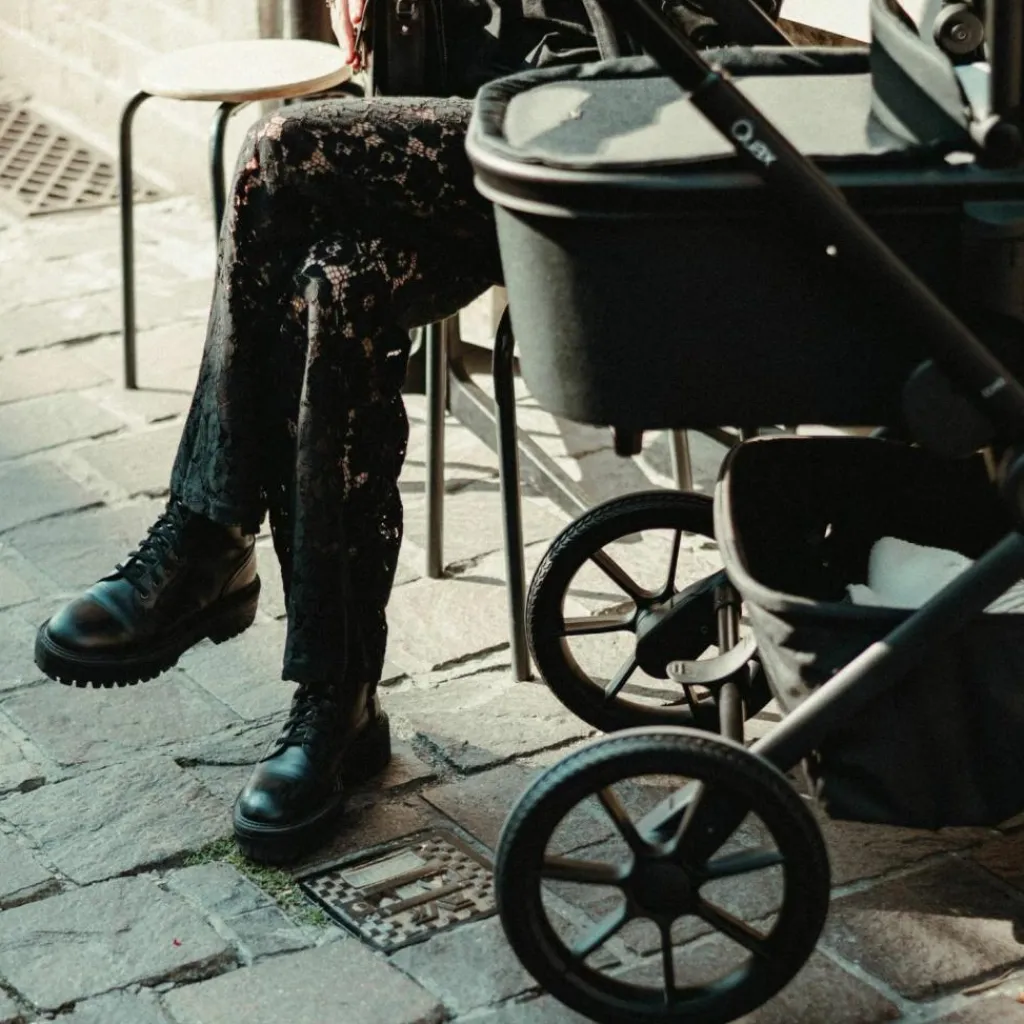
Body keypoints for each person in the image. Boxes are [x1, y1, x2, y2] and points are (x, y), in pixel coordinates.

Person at [33, 0, 780, 864]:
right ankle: (339, 700)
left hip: (603, 125)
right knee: (332, 284)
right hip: (465, 134)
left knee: (279, 147)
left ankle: (210, 528)